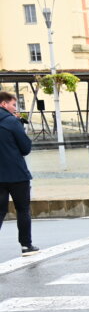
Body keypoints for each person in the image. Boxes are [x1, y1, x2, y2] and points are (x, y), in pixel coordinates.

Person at [0, 91, 38, 256]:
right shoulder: (11, 122)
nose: (15, 108)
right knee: (22, 209)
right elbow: (25, 148)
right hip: (17, 174)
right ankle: (26, 245)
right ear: (3, 104)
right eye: (13, 105)